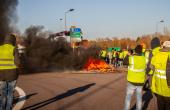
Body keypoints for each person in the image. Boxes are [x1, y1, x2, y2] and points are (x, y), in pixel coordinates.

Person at [0, 34, 20, 110]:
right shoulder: (14, 48)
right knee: (10, 94)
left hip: (1, 75)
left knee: (3, 94)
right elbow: (18, 62)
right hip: (12, 74)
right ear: (13, 40)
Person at [124, 45, 146, 110]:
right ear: (141, 51)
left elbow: (124, 63)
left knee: (128, 97)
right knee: (139, 98)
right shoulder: (144, 59)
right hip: (140, 81)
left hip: (131, 81)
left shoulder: (131, 58)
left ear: (135, 51)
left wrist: (128, 55)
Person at [149, 41, 170, 110]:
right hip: (168, 91)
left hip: (159, 89)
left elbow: (151, 68)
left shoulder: (156, 55)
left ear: (163, 46)